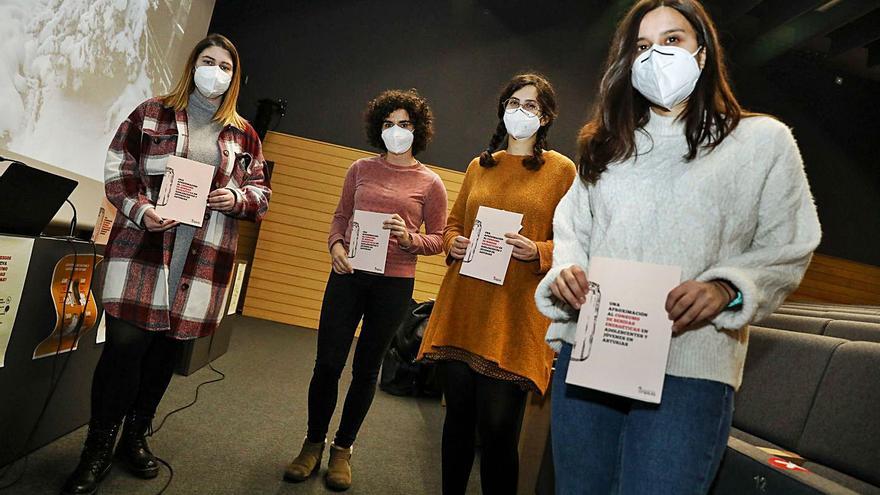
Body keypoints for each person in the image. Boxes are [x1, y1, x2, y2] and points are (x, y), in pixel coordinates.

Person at [534, 1, 822, 493]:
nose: (656, 56)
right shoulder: (607, 145)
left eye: (672, 40)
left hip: (689, 371)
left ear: (703, 54)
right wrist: (566, 273)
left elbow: (790, 244)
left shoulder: (761, 141)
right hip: (593, 357)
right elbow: (572, 231)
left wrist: (727, 288)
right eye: (642, 47)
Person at [61, 33, 270, 495]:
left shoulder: (244, 133)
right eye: (207, 61)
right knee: (123, 350)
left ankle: (134, 437)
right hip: (143, 250)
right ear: (192, 64)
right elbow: (119, 170)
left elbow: (261, 193)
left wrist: (234, 197)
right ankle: (97, 447)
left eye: (225, 66)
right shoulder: (150, 113)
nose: (215, 71)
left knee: (162, 354)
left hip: (200, 259)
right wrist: (142, 210)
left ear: (235, 78)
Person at [417, 73, 576, 494]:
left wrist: (539, 251)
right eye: (514, 102)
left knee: (499, 432)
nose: (520, 112)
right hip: (464, 307)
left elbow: (576, 244)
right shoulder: (479, 165)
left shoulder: (561, 171)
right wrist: (455, 241)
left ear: (545, 118)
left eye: (531, 106)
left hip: (514, 317)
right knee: (457, 424)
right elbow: (451, 225)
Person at [283, 89, 448, 491]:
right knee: (327, 364)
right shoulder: (359, 169)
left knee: (366, 370)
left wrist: (410, 238)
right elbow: (340, 217)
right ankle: (313, 442)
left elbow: (440, 239)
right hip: (348, 277)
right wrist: (336, 247)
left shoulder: (431, 183)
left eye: (404, 125)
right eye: (389, 124)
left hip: (394, 285)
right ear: (379, 128)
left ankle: (343, 448)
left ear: (418, 130)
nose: (396, 131)